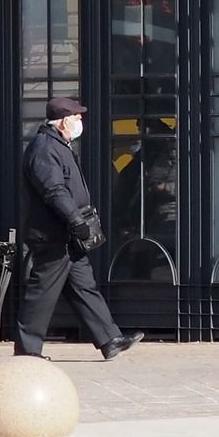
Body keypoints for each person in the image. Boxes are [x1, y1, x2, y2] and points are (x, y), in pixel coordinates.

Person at [15, 98, 140, 360]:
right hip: (54, 234)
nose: (81, 122)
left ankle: (109, 339)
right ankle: (27, 350)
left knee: (84, 287)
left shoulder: (59, 145)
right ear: (63, 121)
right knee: (42, 291)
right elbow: (55, 191)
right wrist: (76, 220)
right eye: (77, 118)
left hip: (68, 235)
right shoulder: (45, 148)